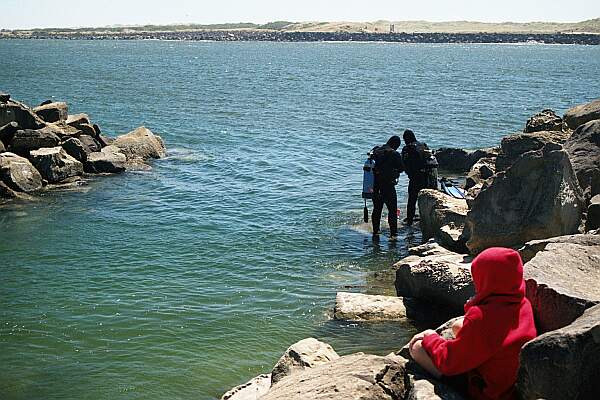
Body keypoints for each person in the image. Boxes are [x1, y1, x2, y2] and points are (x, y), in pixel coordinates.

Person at [408, 247, 537, 400]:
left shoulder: (481, 317)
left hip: (487, 390)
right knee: (458, 325)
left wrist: (430, 338)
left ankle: (447, 385)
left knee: (416, 347)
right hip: (508, 383)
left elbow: (450, 361)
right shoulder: (522, 303)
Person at [371, 135, 404, 239]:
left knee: (377, 209)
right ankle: (393, 235)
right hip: (388, 186)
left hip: (375, 186)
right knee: (392, 210)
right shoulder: (394, 154)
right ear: (396, 145)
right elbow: (401, 168)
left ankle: (375, 232)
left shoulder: (376, 150)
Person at [400, 129, 434, 226]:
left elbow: (404, 163)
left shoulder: (407, 148)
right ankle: (427, 220)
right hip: (427, 177)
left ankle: (410, 222)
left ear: (406, 139)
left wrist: (408, 172)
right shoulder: (423, 145)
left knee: (412, 200)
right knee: (426, 199)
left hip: (415, 178)